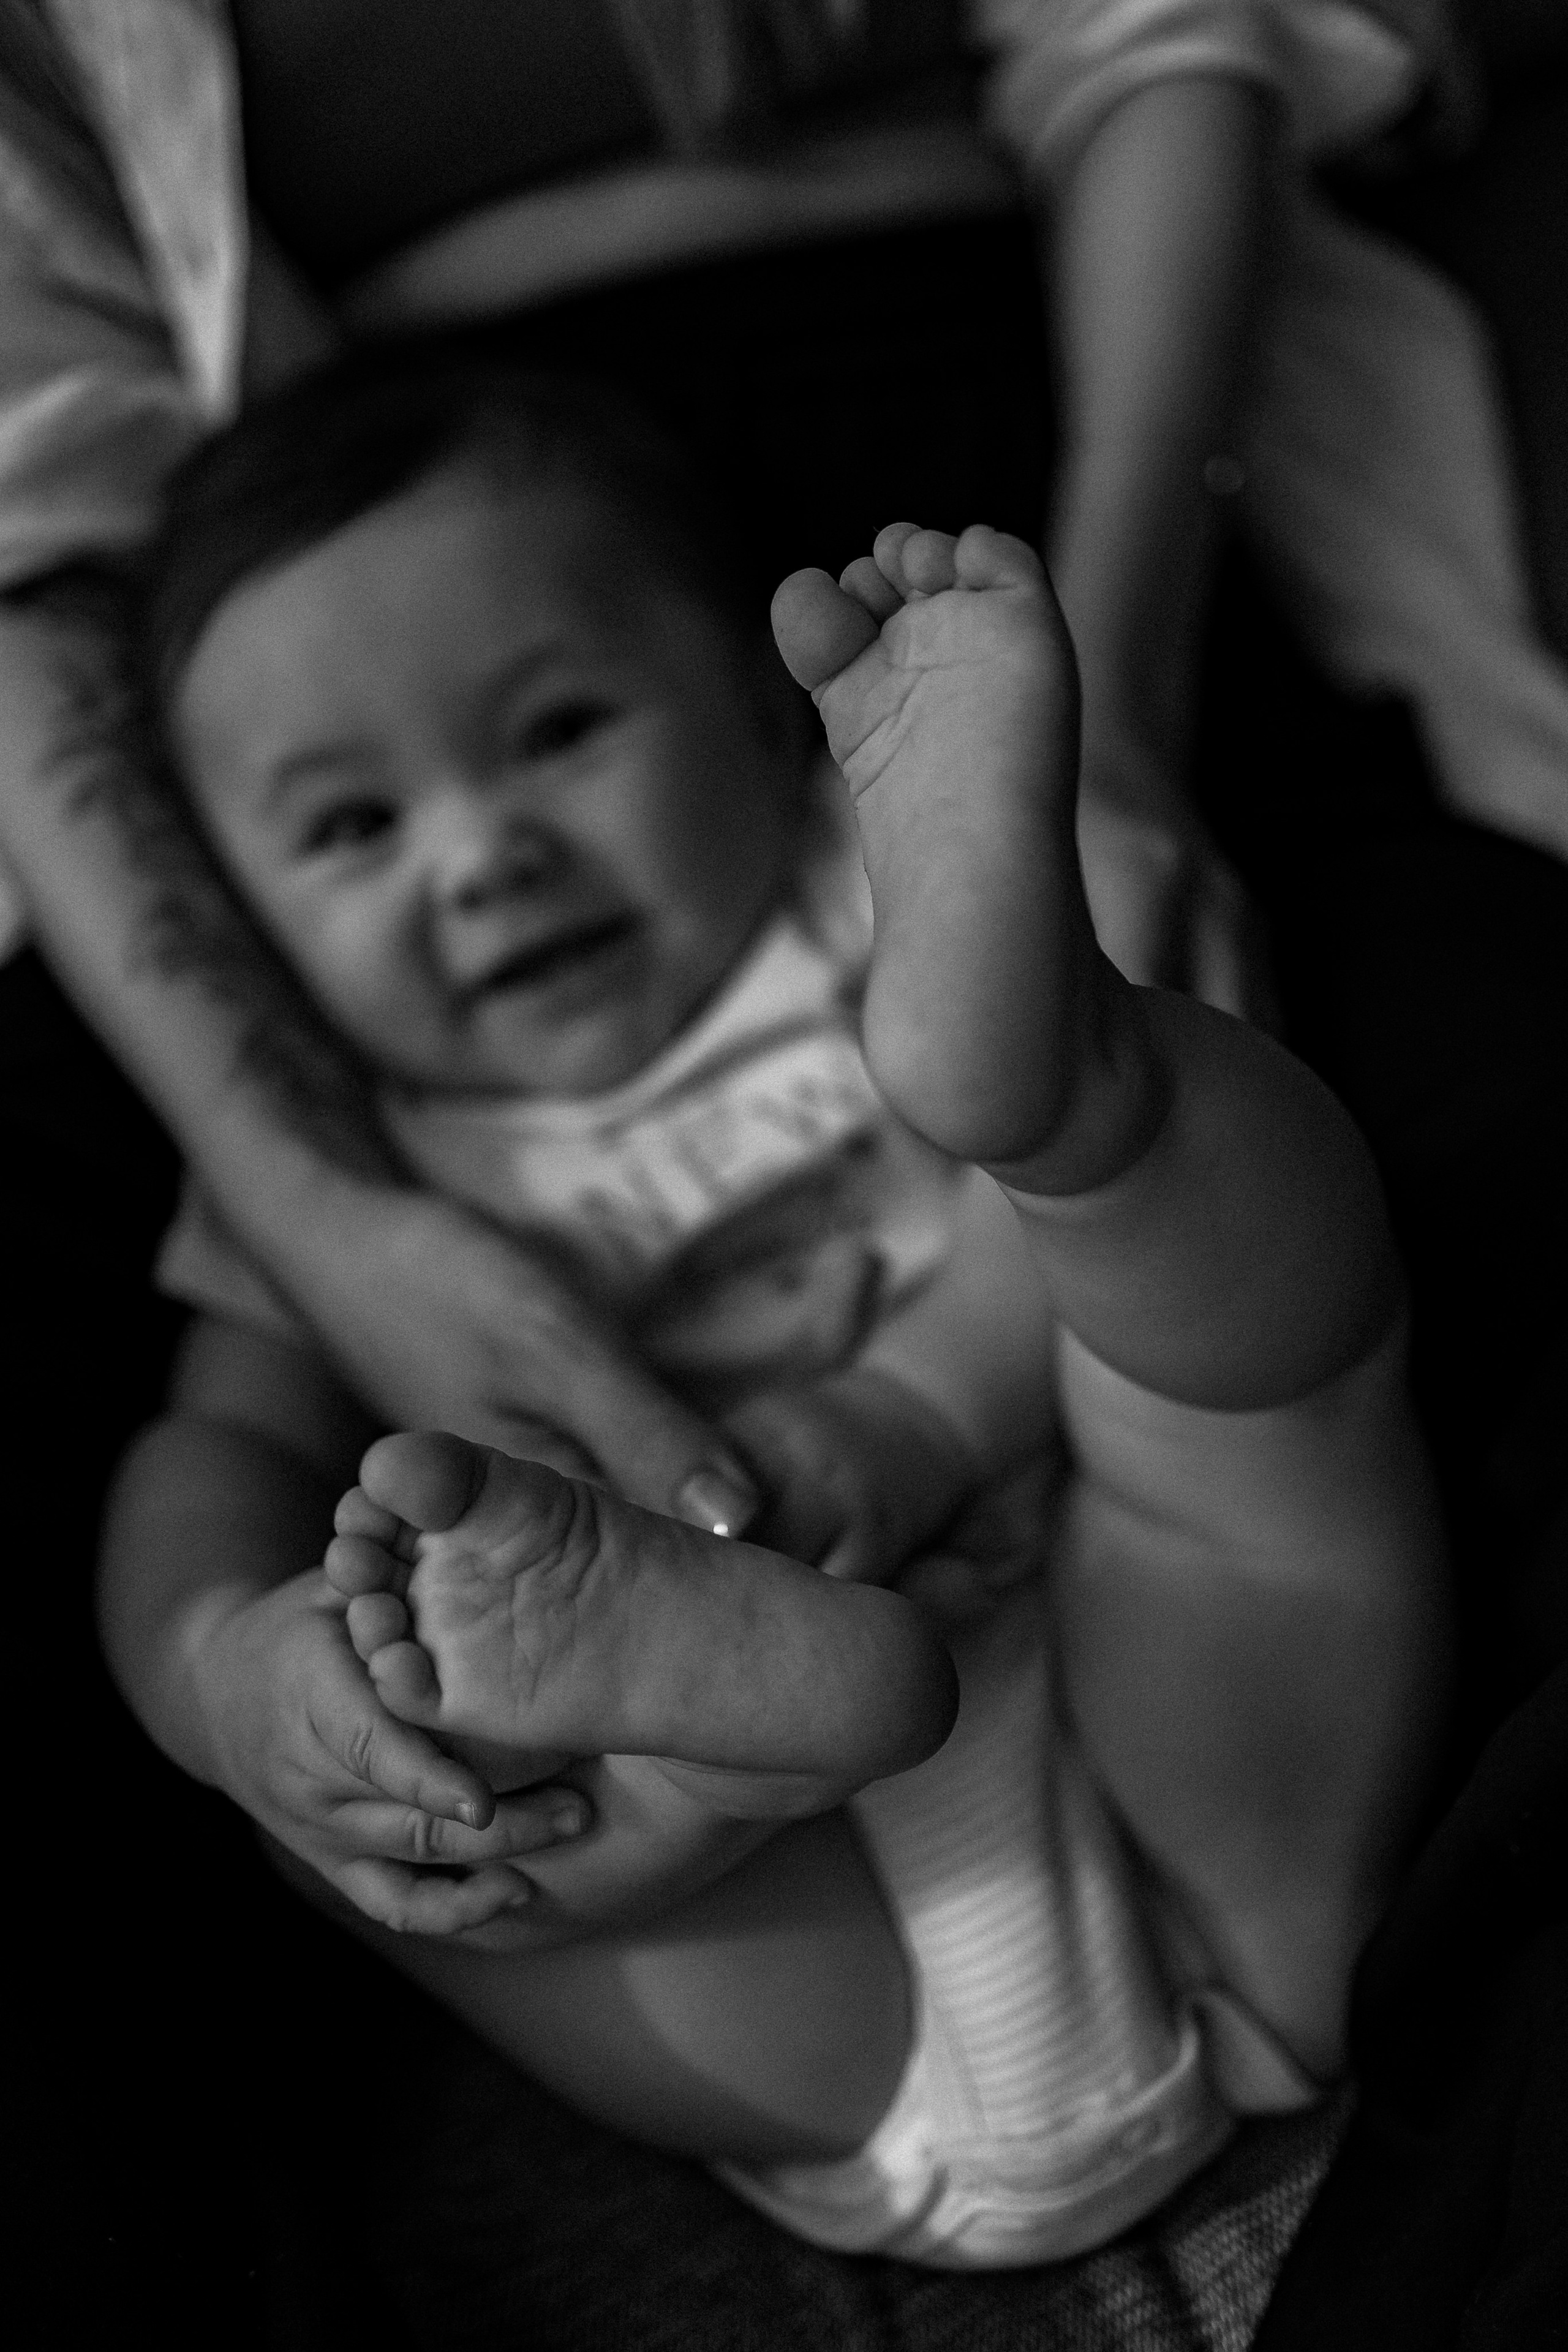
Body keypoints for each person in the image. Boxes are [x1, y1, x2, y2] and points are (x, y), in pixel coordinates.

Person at [98, 350, 1447, 2266]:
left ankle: (1072, 1104)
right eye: (348, 830)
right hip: (786, 1929)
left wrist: (901, 1422)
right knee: (374, 1787)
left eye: (559, 727)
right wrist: (222, 1674)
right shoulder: (339, 1169)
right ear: (235, 924)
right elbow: (210, 1452)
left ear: (755, 707)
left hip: (1136, 1643)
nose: (482, 857)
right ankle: (718, 1737)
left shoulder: (861, 901)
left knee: (1234, 1338)